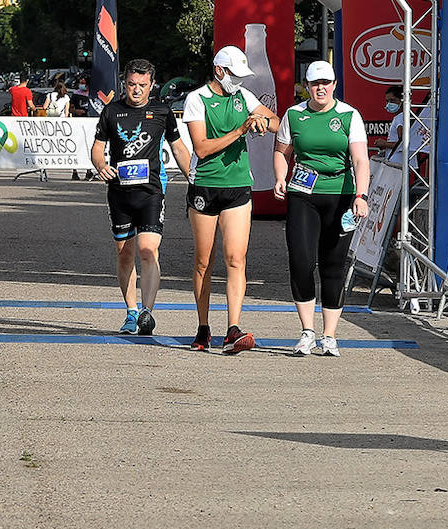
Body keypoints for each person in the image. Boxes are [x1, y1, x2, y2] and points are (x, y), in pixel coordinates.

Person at [183, 45, 279, 353]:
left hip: (238, 186)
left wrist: (263, 122)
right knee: (203, 262)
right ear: (219, 71)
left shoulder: (243, 97)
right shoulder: (196, 99)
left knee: (236, 259)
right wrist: (241, 130)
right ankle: (202, 328)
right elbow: (201, 148)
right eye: (234, 76)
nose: (238, 82)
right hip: (206, 185)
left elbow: (277, 122)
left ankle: (233, 328)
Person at [272, 60, 370, 357]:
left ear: (334, 85)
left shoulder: (349, 115)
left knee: (333, 265)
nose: (320, 88)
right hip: (303, 194)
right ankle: (307, 331)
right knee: (301, 261)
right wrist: (280, 176)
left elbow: (360, 160)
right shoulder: (294, 115)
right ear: (307, 86)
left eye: (326, 82)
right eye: (315, 83)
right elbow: (281, 152)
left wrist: (361, 195)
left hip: (340, 197)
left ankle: (329, 335)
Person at [90, 59, 193, 335]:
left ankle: (147, 312)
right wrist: (101, 166)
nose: (136, 90)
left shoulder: (162, 111)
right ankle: (131, 311)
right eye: (131, 84)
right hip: (120, 193)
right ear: (124, 83)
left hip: (151, 192)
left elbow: (179, 148)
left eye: (142, 86)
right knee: (125, 254)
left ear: (151, 85)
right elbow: (97, 148)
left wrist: (193, 178)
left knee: (148, 249)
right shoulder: (112, 112)